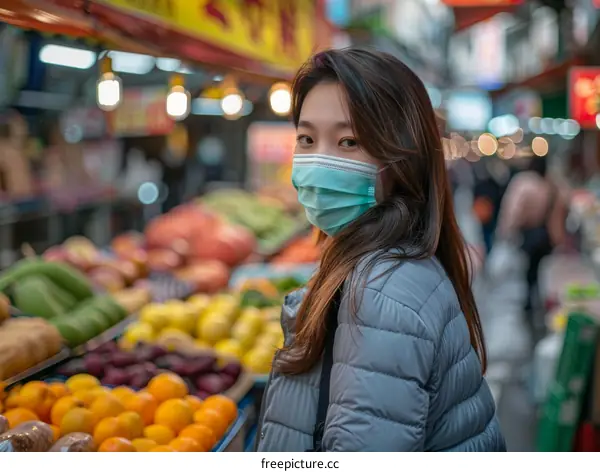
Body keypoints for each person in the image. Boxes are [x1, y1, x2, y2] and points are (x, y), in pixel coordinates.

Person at [255, 48, 505, 452]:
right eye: (306, 138)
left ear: (401, 159)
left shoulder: (379, 290)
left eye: (349, 141)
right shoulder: (385, 263)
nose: (320, 160)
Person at [497, 157, 566, 331]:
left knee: (528, 271)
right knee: (537, 270)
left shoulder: (524, 182)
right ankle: (535, 300)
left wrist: (505, 231)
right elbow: (559, 210)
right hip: (544, 236)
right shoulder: (549, 185)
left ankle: (529, 303)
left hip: (528, 234)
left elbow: (513, 209)